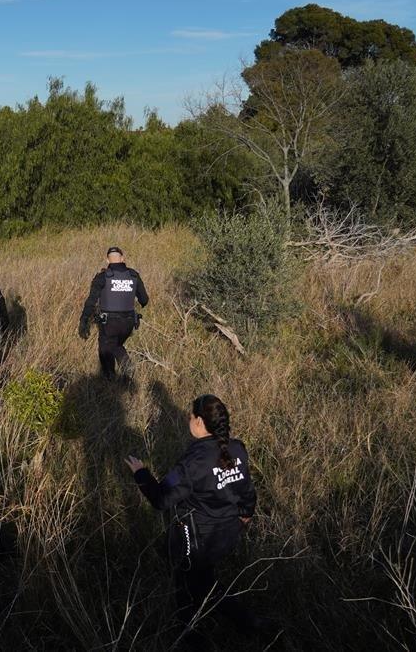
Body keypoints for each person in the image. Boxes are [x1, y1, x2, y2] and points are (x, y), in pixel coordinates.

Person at [125, 394, 258, 633]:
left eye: (190, 416)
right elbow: (247, 491)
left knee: (190, 586)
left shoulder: (193, 462)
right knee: (199, 574)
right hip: (229, 532)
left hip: (198, 538)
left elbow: (161, 499)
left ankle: (202, 632)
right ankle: (237, 622)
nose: (188, 420)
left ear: (198, 422)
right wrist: (246, 513)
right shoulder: (238, 449)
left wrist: (141, 474)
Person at [78, 246, 149, 380]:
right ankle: (128, 370)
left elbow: (91, 301)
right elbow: (144, 300)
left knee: (105, 350)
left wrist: (84, 320)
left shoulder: (102, 277)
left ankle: (110, 380)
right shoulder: (133, 275)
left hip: (109, 323)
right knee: (116, 345)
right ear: (122, 258)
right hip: (129, 323)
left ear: (107, 260)